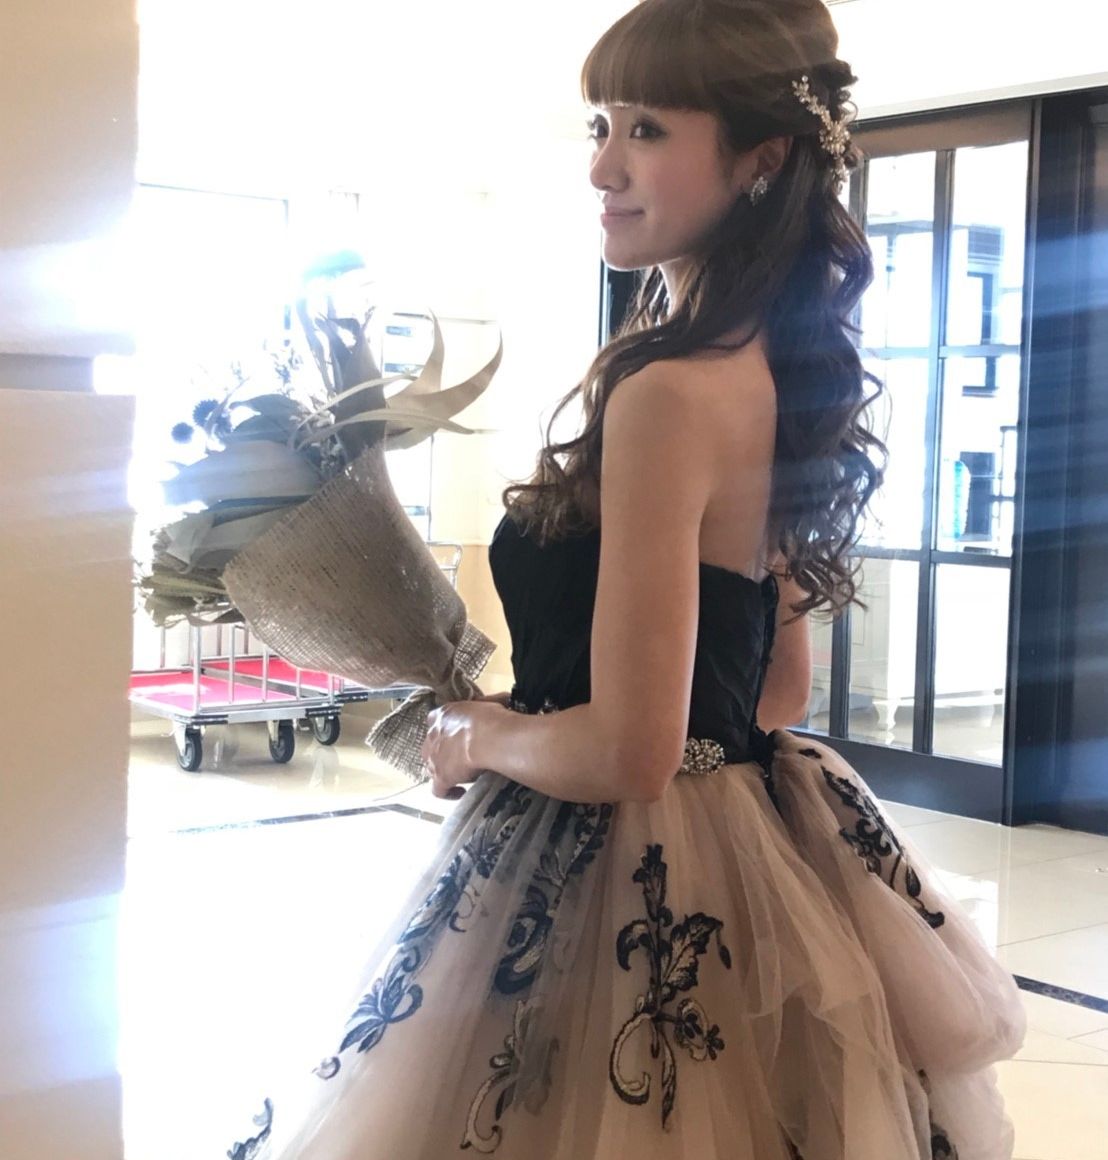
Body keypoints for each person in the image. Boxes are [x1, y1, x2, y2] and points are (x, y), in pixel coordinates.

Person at [229, 1, 1025, 1156]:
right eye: (602, 124)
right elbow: (774, 691)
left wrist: (475, 730)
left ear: (760, 161)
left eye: (646, 129)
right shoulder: (773, 371)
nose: (602, 165)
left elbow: (629, 752)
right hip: (751, 846)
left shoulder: (667, 393)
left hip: (618, 872)